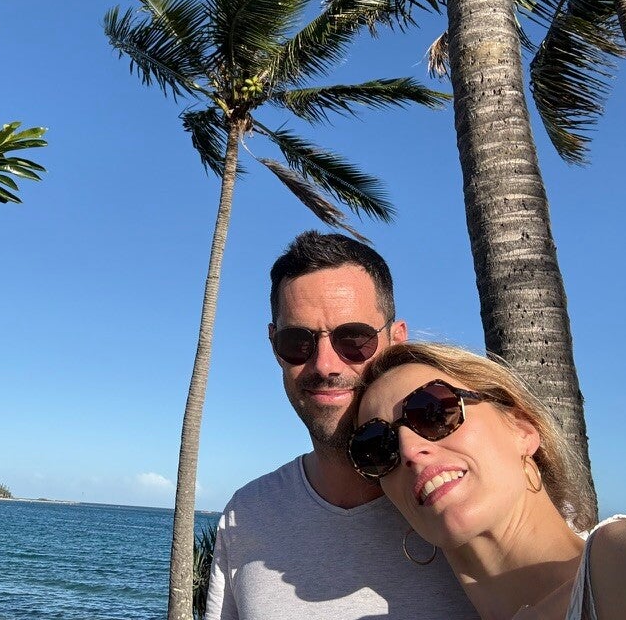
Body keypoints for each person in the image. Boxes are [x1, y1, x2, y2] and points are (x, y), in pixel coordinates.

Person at [205, 231, 478, 619]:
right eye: (298, 342)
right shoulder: (247, 515)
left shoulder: (469, 499)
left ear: (397, 341)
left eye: (353, 339)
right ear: (274, 345)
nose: (325, 365)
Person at [349, 341, 626, 619]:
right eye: (377, 447)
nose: (408, 449)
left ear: (523, 429)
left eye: (432, 411)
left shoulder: (624, 565)